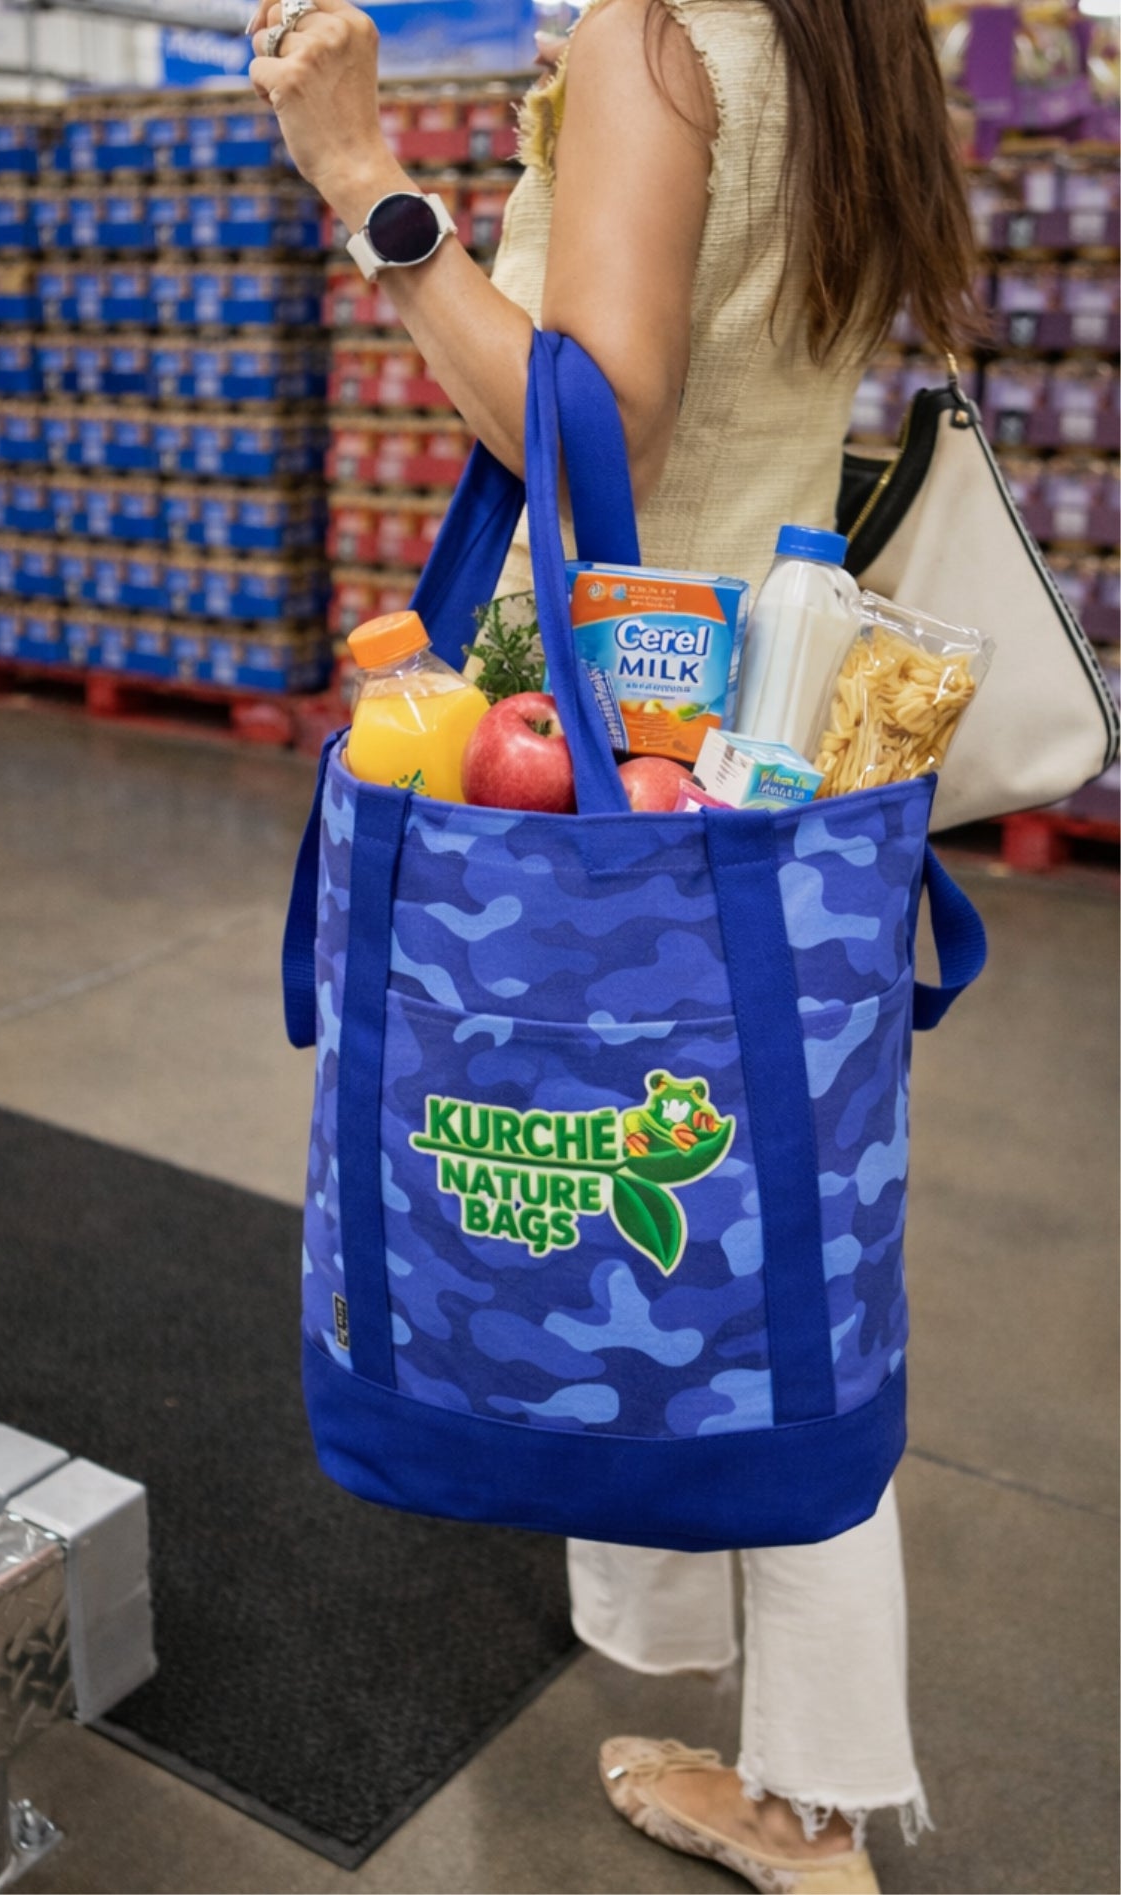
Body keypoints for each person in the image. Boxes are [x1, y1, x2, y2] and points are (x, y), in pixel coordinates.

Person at [247, 3, 977, 1888]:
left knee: (743, 1278)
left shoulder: (668, 38)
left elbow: (598, 420)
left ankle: (815, 1804)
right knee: (765, 1242)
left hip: (632, 734)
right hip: (769, 730)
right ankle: (758, 1729)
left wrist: (367, 184)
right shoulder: (836, 38)